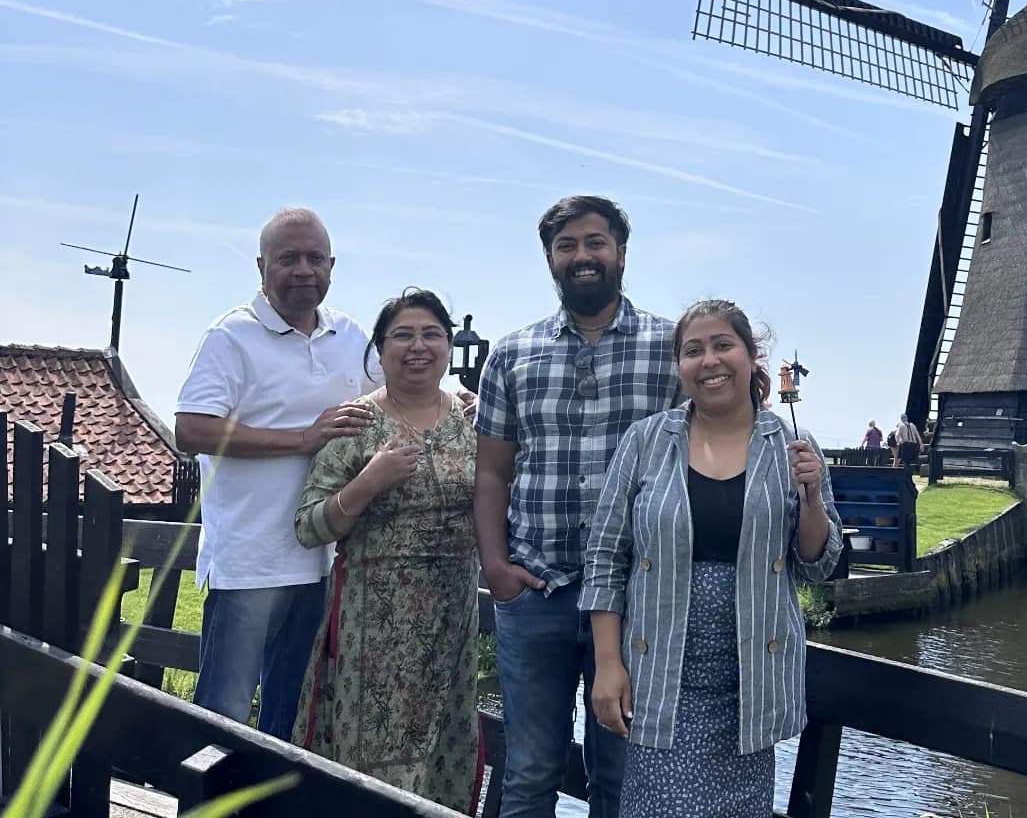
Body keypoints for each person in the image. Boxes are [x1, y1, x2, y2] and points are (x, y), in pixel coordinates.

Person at [582, 299, 843, 818]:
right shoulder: (646, 442)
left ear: (751, 356)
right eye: (693, 351)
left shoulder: (791, 443)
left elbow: (816, 562)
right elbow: (606, 558)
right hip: (660, 671)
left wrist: (812, 499)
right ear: (679, 367)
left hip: (749, 679)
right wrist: (608, 665)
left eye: (723, 345)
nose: (710, 361)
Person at [473, 196, 681, 818]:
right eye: (567, 246)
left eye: (595, 243)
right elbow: (491, 472)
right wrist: (496, 569)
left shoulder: (671, 348)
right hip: (537, 588)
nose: (582, 257)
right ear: (549, 260)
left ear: (621, 252)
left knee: (620, 776)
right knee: (529, 769)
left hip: (635, 598)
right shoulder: (512, 354)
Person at [174, 207, 375, 739]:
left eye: (314, 258)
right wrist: (303, 439)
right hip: (248, 564)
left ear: (332, 265)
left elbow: (402, 387)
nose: (303, 269)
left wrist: (463, 400)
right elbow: (191, 429)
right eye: (289, 259)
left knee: (294, 719)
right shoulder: (231, 336)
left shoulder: (350, 335)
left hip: (322, 565)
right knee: (223, 717)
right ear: (262, 266)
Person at [292, 289, 479, 810]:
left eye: (431, 335)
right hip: (374, 617)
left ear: (447, 347)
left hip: (453, 610)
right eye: (402, 335)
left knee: (446, 742)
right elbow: (307, 526)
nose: (417, 347)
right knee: (373, 747)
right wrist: (365, 485)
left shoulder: (475, 420)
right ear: (379, 349)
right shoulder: (356, 422)